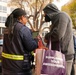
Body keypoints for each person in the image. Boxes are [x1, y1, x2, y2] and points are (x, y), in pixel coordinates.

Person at [2, 8, 38, 75]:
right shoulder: (23, 29)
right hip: (20, 69)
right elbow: (31, 46)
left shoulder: (7, 29)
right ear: (22, 17)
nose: (27, 20)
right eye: (26, 17)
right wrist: (36, 36)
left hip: (6, 68)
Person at [43, 3, 75, 75]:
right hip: (60, 55)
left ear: (50, 12)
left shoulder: (61, 16)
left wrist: (46, 37)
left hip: (64, 55)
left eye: (45, 13)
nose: (44, 15)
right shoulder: (58, 17)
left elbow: (57, 34)